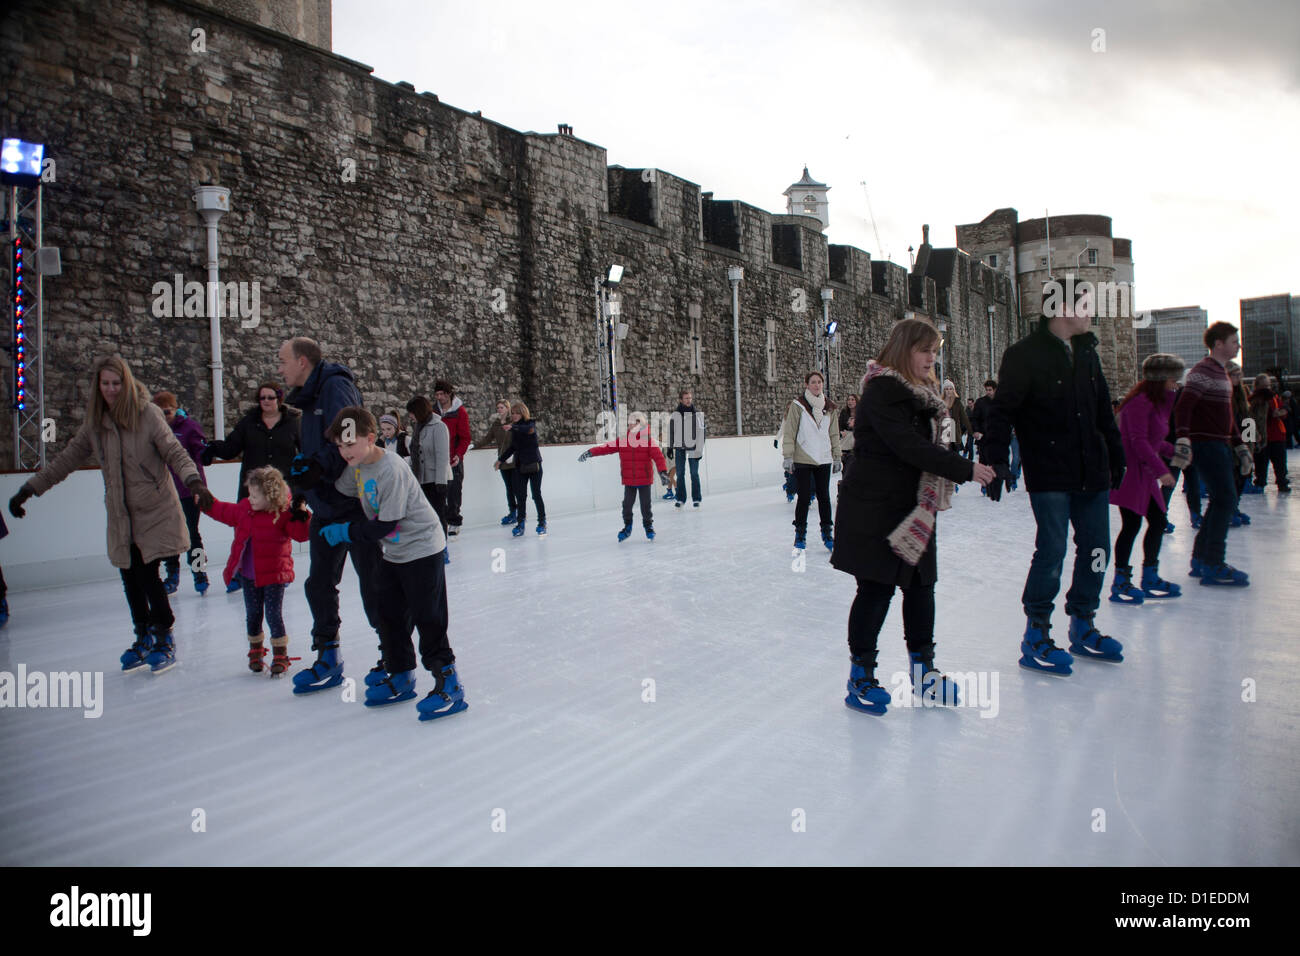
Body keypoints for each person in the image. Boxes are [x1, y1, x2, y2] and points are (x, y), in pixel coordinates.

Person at [8, 356, 214, 673]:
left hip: (155, 508)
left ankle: (164, 637)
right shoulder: (96, 423)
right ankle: (142, 635)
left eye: (116, 383)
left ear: (127, 383)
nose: (111, 389)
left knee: (147, 573)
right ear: (98, 385)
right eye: (105, 384)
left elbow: (174, 451)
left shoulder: (147, 414)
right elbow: (66, 460)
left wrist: (194, 482)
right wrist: (30, 489)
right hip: (121, 513)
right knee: (128, 574)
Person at [831, 320, 994, 715]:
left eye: (936, 352)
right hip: (875, 509)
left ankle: (924, 673)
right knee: (876, 590)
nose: (931, 358)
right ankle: (861, 676)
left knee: (921, 587)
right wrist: (964, 468)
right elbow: (907, 447)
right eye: (925, 350)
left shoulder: (924, 395)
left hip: (914, 507)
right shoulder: (882, 392)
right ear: (905, 349)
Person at [983, 277, 1126, 674]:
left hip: (1091, 470)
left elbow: (1102, 412)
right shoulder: (1024, 355)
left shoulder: (1087, 353)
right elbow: (1002, 412)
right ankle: (1038, 632)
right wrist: (996, 460)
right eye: (1083, 304)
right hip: (1050, 472)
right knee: (1053, 550)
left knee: (1097, 548)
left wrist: (1116, 454)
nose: (1089, 313)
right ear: (1061, 309)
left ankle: (1083, 621)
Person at [321, 407, 467, 721]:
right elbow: (338, 494)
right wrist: (305, 484)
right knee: (388, 613)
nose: (344, 452)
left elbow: (385, 525)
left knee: (428, 616)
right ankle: (401, 675)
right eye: (340, 446)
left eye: (350, 444)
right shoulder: (356, 466)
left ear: (371, 439)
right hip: (395, 553)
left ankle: (449, 682)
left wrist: (345, 531)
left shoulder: (391, 467)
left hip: (423, 548)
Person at [278, 336, 386, 694]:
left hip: (352, 504)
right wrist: (300, 489)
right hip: (323, 505)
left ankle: (394, 654)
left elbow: (349, 441)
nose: (280, 368)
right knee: (319, 583)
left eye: (283, 361)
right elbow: (314, 451)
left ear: (303, 362)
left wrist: (317, 467)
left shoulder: (335, 388)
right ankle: (328, 655)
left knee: (373, 583)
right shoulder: (309, 398)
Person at [203, 466, 312, 675]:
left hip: (274, 575)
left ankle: (280, 653)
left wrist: (302, 514)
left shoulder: (282, 513)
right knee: (252, 614)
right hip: (248, 576)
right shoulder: (245, 509)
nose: (250, 498)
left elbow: (301, 534)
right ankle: (256, 650)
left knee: (273, 615)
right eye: (250, 494)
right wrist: (207, 503)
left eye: (255, 495)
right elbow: (223, 511)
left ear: (270, 495)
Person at [1173, 321, 1254, 586]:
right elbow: (1183, 406)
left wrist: (1239, 444)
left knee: (1221, 500)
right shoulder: (1202, 371)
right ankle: (1212, 562)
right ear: (1218, 343)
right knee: (1226, 499)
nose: (1238, 345)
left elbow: (1226, 416)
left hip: (1219, 443)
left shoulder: (1221, 373)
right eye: (1234, 341)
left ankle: (1201, 558)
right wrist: (1184, 436)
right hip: (1206, 444)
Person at [1108, 354, 1186, 605]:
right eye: (1174, 378)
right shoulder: (1139, 404)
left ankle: (1150, 575)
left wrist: (1172, 451)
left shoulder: (1158, 402)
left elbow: (1152, 440)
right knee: (1131, 526)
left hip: (1145, 475)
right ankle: (1121, 581)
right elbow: (1137, 442)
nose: (1177, 384)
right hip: (1131, 475)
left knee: (1157, 521)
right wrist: (1163, 470)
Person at [152, 391, 210, 596]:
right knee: (169, 537)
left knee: (191, 534)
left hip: (188, 491)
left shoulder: (189, 427)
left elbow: (199, 456)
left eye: (167, 412)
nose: (164, 417)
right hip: (164, 493)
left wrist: (200, 486)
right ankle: (172, 575)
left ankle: (199, 573)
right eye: (159, 413)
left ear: (175, 409)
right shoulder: (154, 430)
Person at [202, 382, 302, 500]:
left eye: (271, 397)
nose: (266, 401)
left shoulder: (293, 423)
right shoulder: (248, 423)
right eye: (262, 398)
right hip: (253, 491)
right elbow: (230, 449)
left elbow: (306, 450)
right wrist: (211, 448)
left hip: (283, 490)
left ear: (279, 399)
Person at [579, 411, 671, 541]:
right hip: (629, 480)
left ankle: (648, 527)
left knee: (646, 505)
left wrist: (662, 472)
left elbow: (659, 457)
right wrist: (590, 452)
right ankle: (627, 527)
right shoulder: (623, 440)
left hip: (644, 479)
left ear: (640, 424)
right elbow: (606, 448)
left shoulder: (647, 440)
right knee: (627, 505)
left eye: (633, 423)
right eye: (629, 423)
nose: (630, 425)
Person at [780, 371, 842, 550]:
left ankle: (827, 532)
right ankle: (800, 533)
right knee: (804, 496)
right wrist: (788, 456)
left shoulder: (830, 407)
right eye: (813, 382)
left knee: (823, 496)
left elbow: (834, 434)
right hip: (803, 457)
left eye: (819, 382)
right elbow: (790, 432)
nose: (817, 385)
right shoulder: (797, 406)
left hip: (823, 457)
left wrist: (837, 456)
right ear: (807, 385)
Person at [406, 396, 452, 557]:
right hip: (421, 478)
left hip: (436, 479)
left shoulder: (438, 427)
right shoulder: (419, 427)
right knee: (425, 515)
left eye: (411, 413)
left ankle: (443, 547)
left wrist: (441, 481)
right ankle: (429, 546)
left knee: (438, 514)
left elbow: (442, 456)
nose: (410, 417)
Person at [495, 401, 546, 536]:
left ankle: (542, 522)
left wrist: (512, 428)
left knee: (536, 494)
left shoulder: (530, 424)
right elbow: (513, 447)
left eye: (517, 413)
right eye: (513, 413)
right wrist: (500, 459)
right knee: (520, 496)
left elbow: (527, 431)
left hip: (534, 465)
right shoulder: (515, 428)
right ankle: (520, 523)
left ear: (523, 413)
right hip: (520, 466)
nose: (515, 415)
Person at [434, 381, 471, 536]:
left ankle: (454, 521)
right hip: (437, 459)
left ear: (449, 394)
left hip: (453, 459)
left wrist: (458, 454)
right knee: (437, 492)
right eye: (437, 395)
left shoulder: (459, 412)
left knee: (454, 491)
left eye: (442, 394)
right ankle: (439, 521)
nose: (439, 397)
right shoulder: (433, 412)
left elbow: (465, 437)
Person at [1249, 373, 1290, 493]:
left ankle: (1280, 482)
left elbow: (1284, 410)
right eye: (1264, 386)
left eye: (1268, 385)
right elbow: (1250, 418)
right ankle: (1261, 483)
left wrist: (1282, 413)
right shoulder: (1253, 400)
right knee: (1261, 463)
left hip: (1276, 435)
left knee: (1280, 463)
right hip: (1263, 437)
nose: (1267, 388)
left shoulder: (1274, 398)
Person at [479, 399, 518, 525]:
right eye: (498, 408)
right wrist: (473, 446)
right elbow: (488, 439)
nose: (499, 410)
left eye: (502, 407)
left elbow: (519, 438)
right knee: (509, 488)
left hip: (514, 459)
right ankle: (512, 512)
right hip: (502, 461)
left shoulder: (513, 422)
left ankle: (520, 513)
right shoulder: (496, 425)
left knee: (516, 487)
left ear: (507, 408)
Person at [668, 388, 706, 508]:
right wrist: (670, 447)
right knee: (680, 473)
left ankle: (696, 498)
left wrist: (699, 449)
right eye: (686, 398)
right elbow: (671, 432)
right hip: (680, 448)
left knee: (694, 473)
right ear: (681, 400)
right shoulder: (675, 414)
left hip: (694, 448)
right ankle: (680, 499)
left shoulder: (697, 415)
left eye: (690, 398)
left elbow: (702, 433)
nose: (689, 400)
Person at [970, 379, 996, 460]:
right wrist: (976, 430)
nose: (988, 392)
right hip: (984, 436)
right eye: (987, 390)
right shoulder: (980, 402)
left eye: (990, 390)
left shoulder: (1000, 402)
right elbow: (975, 418)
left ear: (995, 390)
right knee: (984, 460)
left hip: (997, 437)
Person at [838, 393, 858, 474]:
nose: (850, 402)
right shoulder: (844, 412)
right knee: (845, 469)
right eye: (849, 400)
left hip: (855, 445)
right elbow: (840, 426)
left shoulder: (861, 413)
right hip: (845, 444)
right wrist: (841, 432)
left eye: (852, 400)